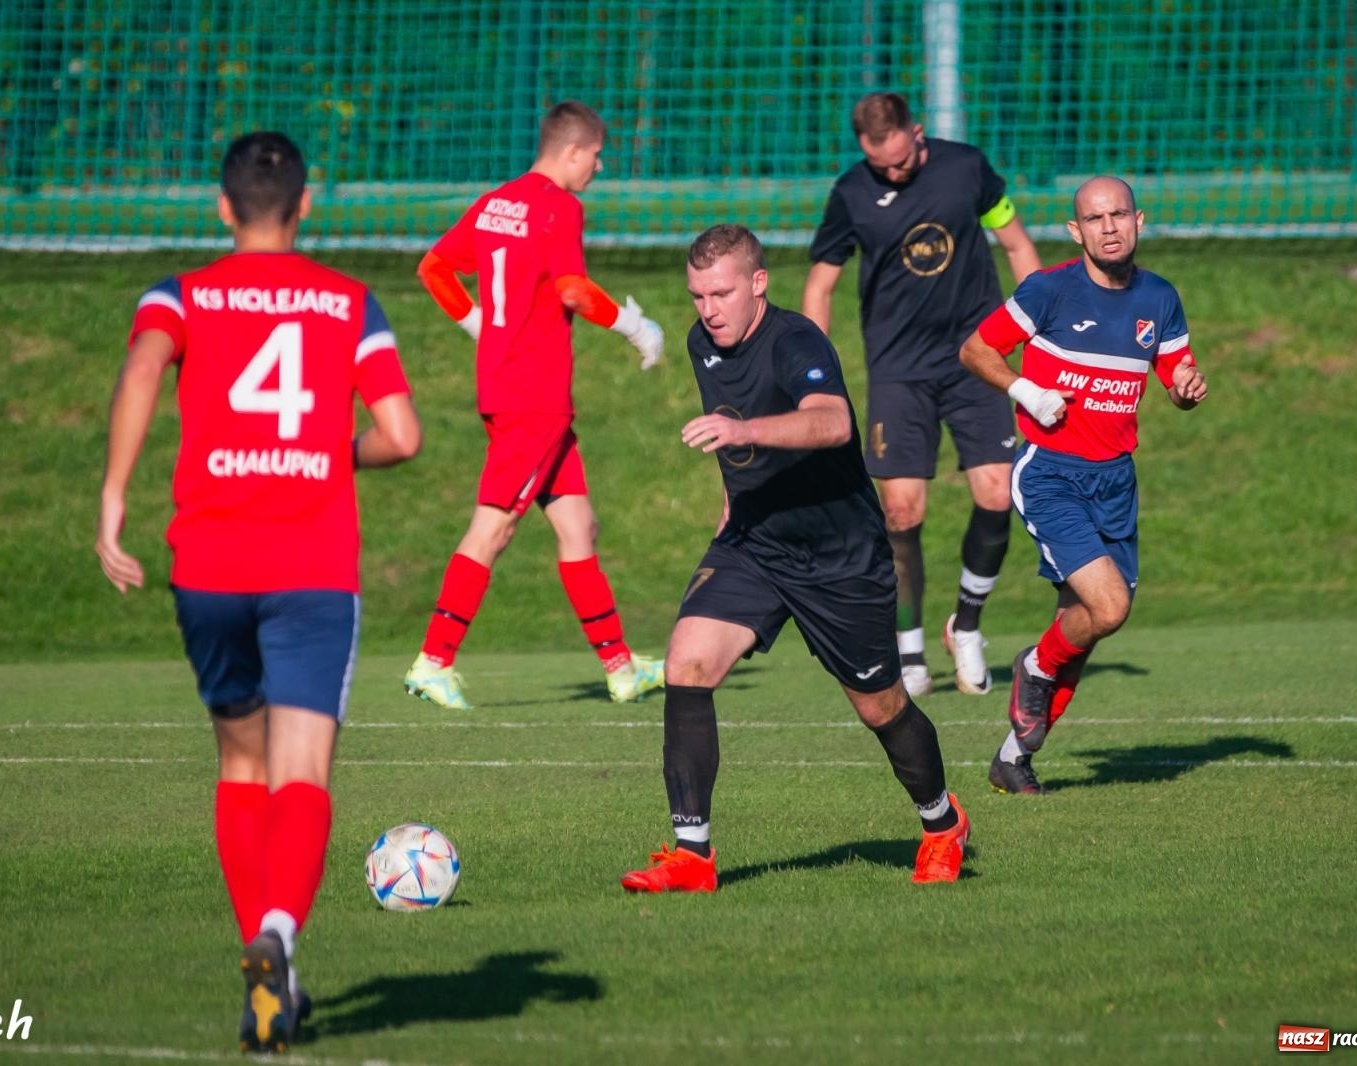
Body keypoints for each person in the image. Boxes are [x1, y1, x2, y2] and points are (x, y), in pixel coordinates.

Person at [94, 131, 422, 1052]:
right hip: (311, 564)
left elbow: (143, 367)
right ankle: (279, 933)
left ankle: (266, 963)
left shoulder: (180, 296)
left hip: (209, 564)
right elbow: (402, 434)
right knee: (301, 772)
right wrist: (330, 453)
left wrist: (114, 498)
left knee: (241, 766)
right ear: (306, 205)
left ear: (223, 208)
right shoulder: (348, 302)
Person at [620, 224, 969, 894]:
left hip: (840, 555)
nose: (708, 310)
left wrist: (745, 430)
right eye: (697, 296)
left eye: (721, 294)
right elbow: (729, 435)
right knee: (687, 664)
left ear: (758, 284)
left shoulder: (796, 341)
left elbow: (833, 422)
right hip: (757, 541)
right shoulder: (702, 343)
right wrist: (730, 501)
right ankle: (692, 856)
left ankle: (941, 823)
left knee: (880, 706)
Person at [404, 100, 667, 712]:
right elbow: (572, 289)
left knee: (579, 527)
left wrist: (479, 324)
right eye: (596, 155)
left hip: (512, 389)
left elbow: (434, 268)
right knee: (494, 527)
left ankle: (621, 668)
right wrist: (633, 325)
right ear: (572, 152)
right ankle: (433, 660)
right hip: (534, 396)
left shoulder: (495, 202)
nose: (599, 167)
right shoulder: (560, 207)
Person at [959, 176, 1208, 795]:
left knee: (1085, 625)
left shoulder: (1160, 297)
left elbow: (1175, 373)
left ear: (1138, 220)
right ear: (1076, 231)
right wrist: (1026, 390)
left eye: (1118, 214)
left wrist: (1185, 387)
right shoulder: (1049, 290)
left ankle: (1013, 757)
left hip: (1115, 480)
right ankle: (1033, 665)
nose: (1109, 227)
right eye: (1095, 219)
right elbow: (975, 350)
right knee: (1109, 608)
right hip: (1050, 473)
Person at [802, 91, 1041, 699]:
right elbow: (821, 284)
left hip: (976, 359)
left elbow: (1016, 244)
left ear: (918, 131)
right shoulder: (851, 193)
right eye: (879, 164)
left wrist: (1044, 334)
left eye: (901, 160)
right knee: (902, 512)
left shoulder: (967, 168)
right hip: (898, 372)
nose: (892, 172)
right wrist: (811, 375)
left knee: (997, 492)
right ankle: (908, 651)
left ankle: (967, 626)